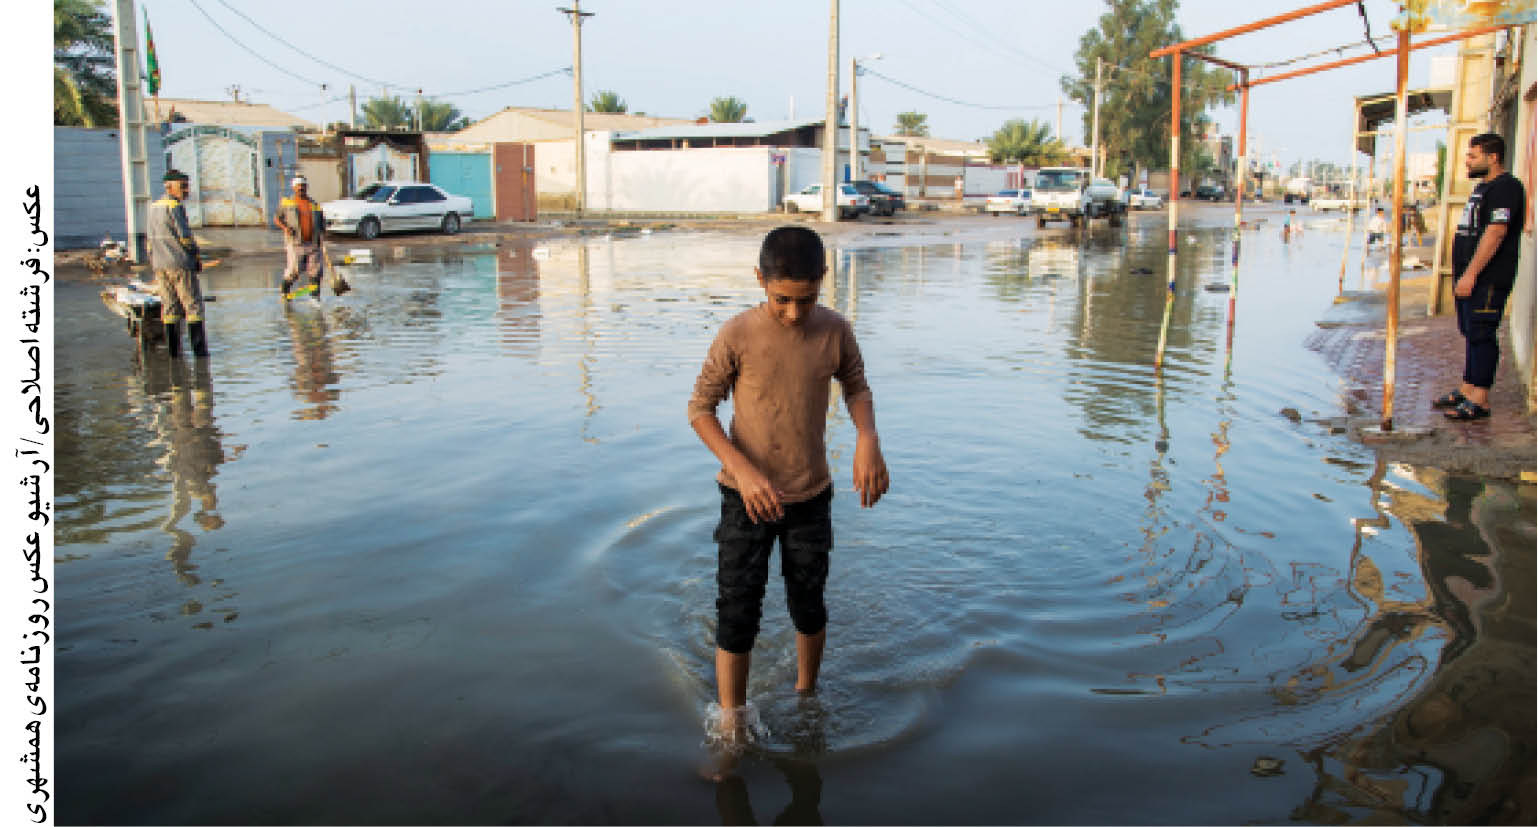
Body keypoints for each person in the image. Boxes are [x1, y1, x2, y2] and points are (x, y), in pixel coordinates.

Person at [687, 225, 889, 752]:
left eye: (807, 300)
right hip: (744, 497)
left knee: (809, 602)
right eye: (781, 300)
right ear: (760, 280)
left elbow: (857, 386)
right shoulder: (737, 334)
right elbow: (700, 409)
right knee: (737, 607)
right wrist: (745, 472)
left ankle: (806, 696)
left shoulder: (835, 331)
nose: (794, 314)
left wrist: (868, 436)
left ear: (822, 282)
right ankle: (731, 720)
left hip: (809, 498)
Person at [1434, 132, 1527, 421]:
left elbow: (1496, 232)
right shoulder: (1483, 188)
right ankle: (1468, 387)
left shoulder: (1506, 188)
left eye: (1473, 156)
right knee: (1470, 332)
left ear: (1493, 157)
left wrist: (1472, 273)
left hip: (1487, 278)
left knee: (1483, 333)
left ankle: (1480, 400)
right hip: (1469, 276)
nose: (1468, 161)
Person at [148, 169, 208, 358]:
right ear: (169, 187)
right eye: (182, 186)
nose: (186, 190)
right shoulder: (174, 206)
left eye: (186, 186)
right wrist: (196, 257)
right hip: (180, 264)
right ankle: (200, 354)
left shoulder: (152, 207)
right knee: (193, 307)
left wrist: (154, 263)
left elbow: (149, 241)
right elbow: (185, 237)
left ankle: (174, 354)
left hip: (160, 265)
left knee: (170, 308)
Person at [273, 175, 327, 298]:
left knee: (316, 272)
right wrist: (286, 228)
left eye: (303, 186)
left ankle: (315, 298)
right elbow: (277, 219)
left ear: (306, 187)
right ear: (294, 187)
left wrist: (322, 233)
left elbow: (322, 221)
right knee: (294, 270)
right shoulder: (287, 203)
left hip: (313, 243)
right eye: (298, 186)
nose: (301, 188)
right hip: (295, 243)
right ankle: (285, 291)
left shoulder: (314, 204)